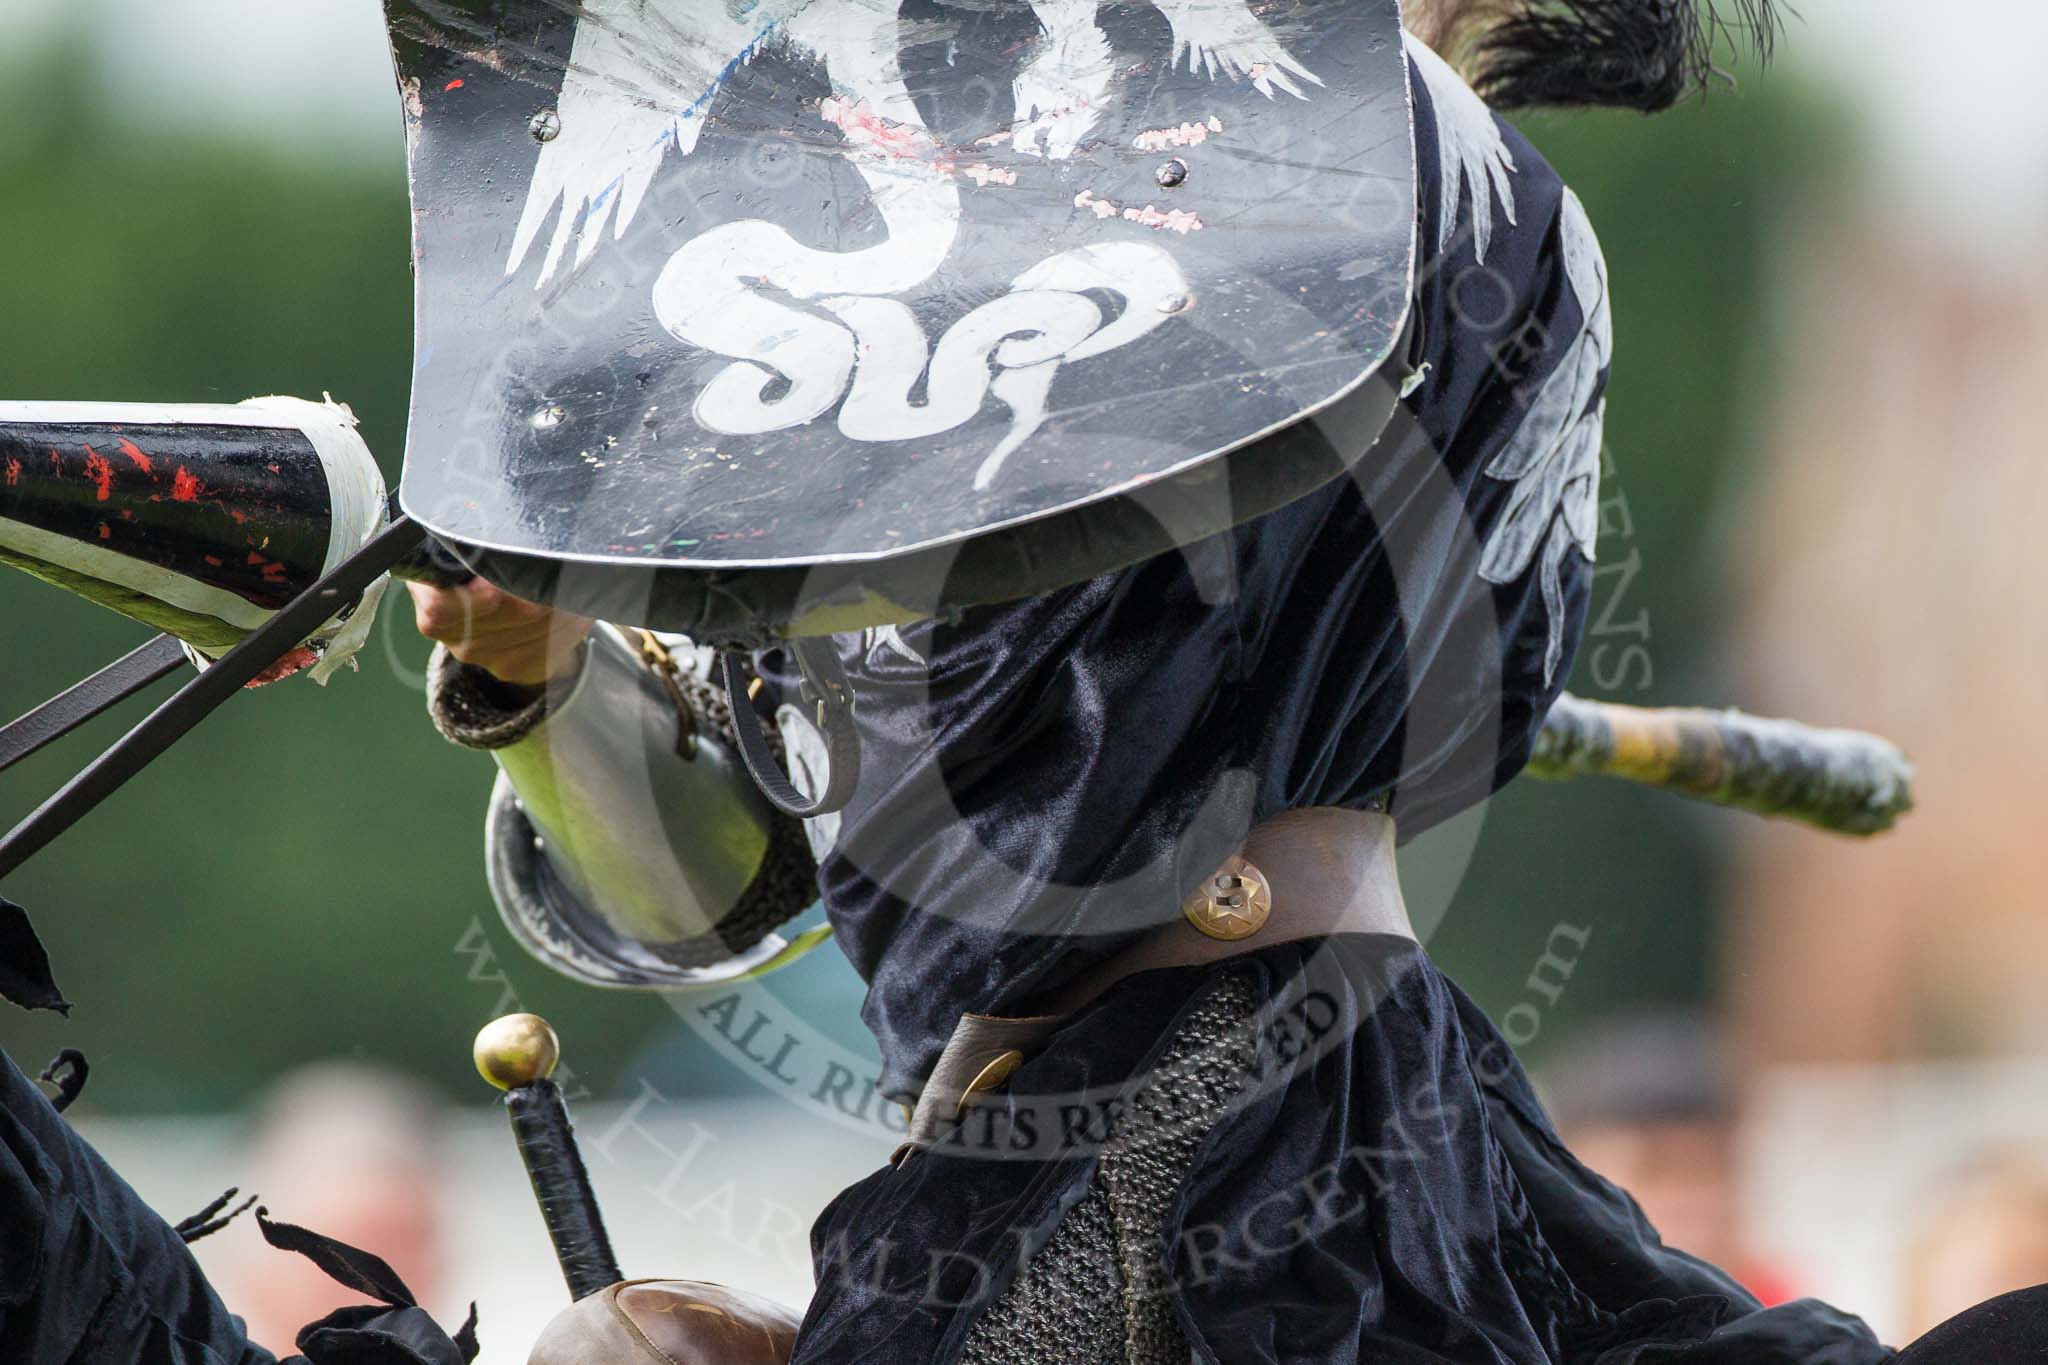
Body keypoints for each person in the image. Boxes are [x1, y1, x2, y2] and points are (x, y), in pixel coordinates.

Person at [402, 3, 1984, 1361]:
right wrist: (542, 683)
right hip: (1057, 1131)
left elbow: (1010, 797)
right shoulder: (911, 177)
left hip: (1250, 1136)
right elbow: (751, 876)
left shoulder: (1405, 186)